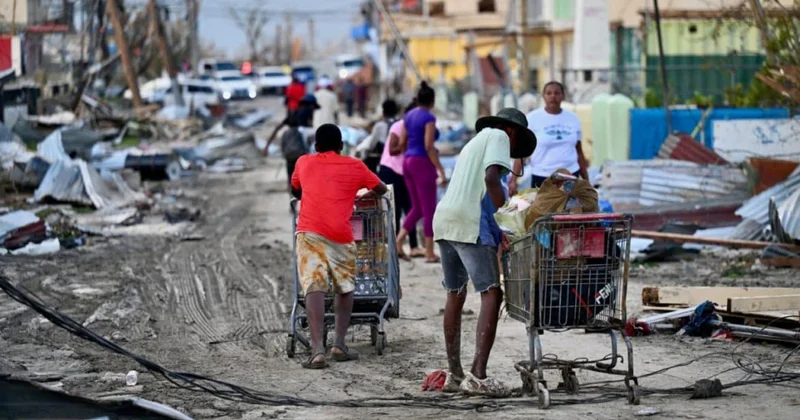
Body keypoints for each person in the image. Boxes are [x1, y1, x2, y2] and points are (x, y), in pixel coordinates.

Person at [432, 108, 536, 395]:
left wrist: (497, 226)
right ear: (512, 131)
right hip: (468, 223)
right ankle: (478, 375)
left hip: (445, 220)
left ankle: (455, 374)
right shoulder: (500, 137)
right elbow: (491, 180)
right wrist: (507, 217)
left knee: (455, 293)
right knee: (492, 292)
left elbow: (480, 189)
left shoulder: (474, 142)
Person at [290, 123, 388, 369]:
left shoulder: (303, 162)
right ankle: (339, 345)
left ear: (316, 146)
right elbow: (381, 189)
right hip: (341, 235)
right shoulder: (355, 166)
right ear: (341, 146)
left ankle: (317, 351)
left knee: (314, 285)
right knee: (345, 287)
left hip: (309, 232)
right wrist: (358, 192)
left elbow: (296, 190)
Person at [394, 82, 445, 263]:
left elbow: (402, 143)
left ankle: (398, 241)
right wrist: (441, 170)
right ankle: (430, 252)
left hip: (408, 161)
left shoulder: (408, 116)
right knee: (429, 208)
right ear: (432, 101)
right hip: (422, 163)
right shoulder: (429, 118)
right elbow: (428, 145)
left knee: (417, 207)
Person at [508, 81, 589, 195]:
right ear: (543, 96)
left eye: (557, 93)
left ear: (563, 96)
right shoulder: (532, 118)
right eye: (549, 93)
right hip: (542, 177)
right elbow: (523, 153)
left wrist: (586, 181)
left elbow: (579, 151)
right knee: (543, 206)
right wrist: (513, 181)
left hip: (570, 175)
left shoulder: (573, 118)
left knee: (570, 206)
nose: (553, 96)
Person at [380, 100, 422, 260]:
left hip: (405, 172)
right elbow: (392, 150)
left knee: (411, 207)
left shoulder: (418, 129)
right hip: (391, 170)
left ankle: (413, 246)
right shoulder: (398, 126)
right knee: (396, 210)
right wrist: (406, 143)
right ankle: (395, 247)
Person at [356, 99, 398, 174]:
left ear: (383, 111)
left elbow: (372, 145)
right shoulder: (400, 124)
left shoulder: (379, 125)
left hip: (384, 160)